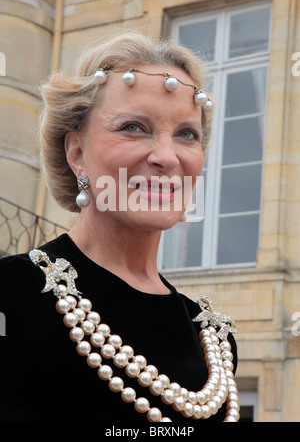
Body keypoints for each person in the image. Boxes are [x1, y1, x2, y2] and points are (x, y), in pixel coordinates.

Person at [0, 30, 239, 423]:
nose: (166, 156)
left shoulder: (214, 341)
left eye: (186, 134)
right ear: (77, 153)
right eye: (133, 127)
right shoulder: (13, 295)